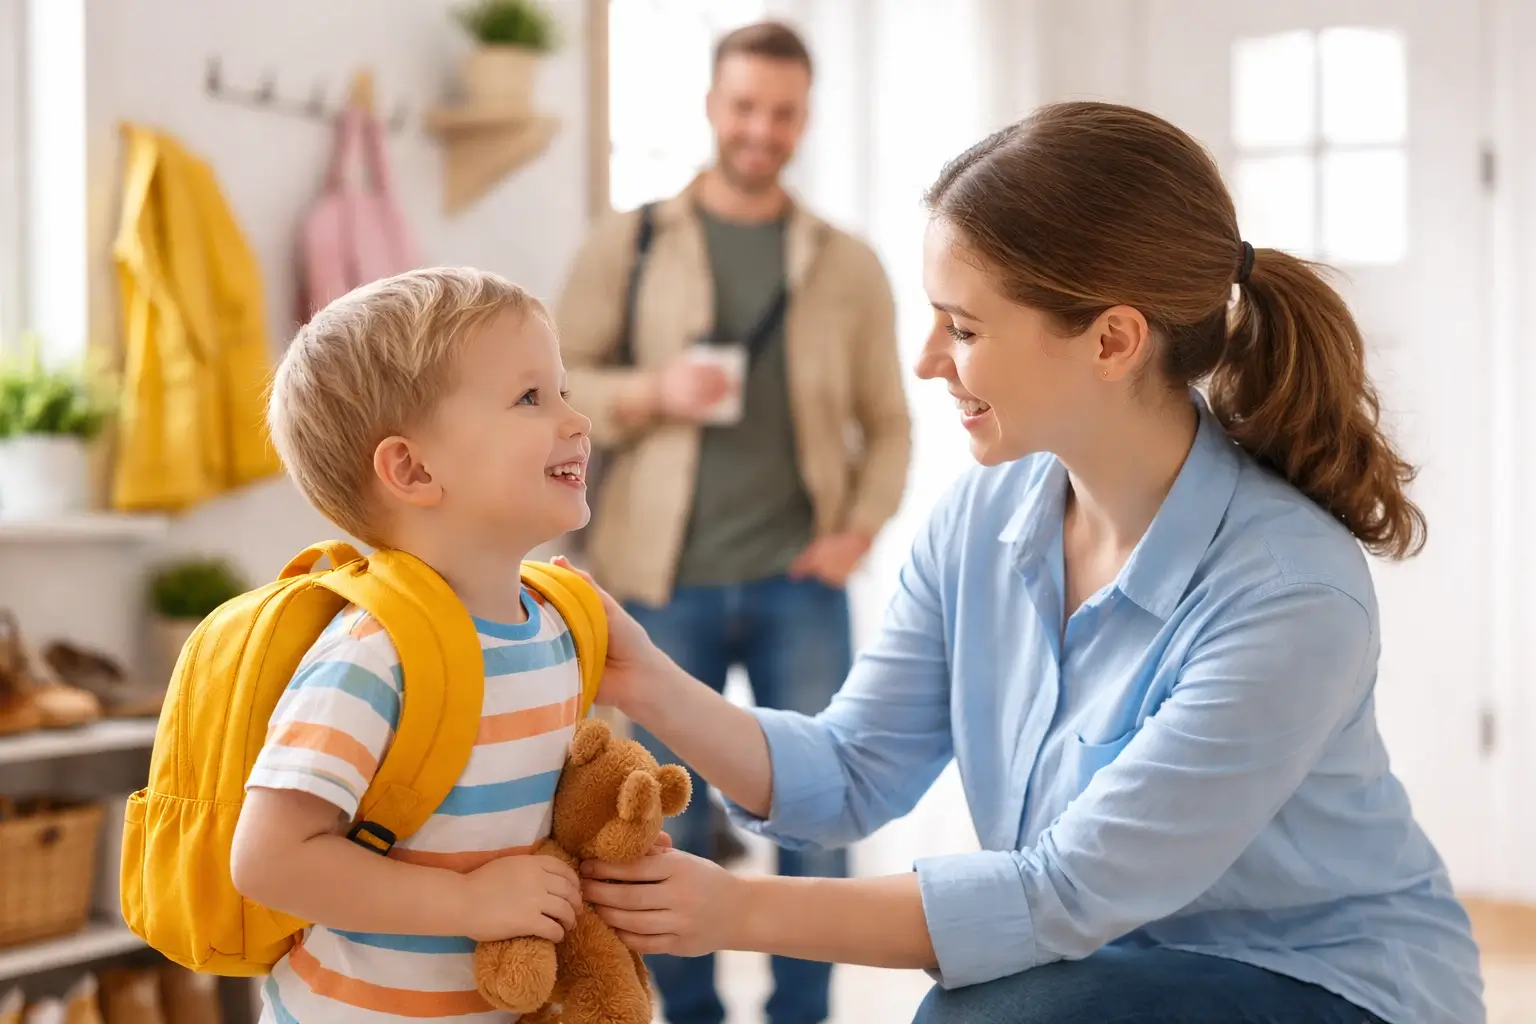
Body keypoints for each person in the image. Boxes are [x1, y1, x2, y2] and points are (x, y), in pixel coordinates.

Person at [565, 101, 1487, 1024]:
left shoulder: (1289, 593)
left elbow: (1058, 895)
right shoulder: (983, 516)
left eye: (963, 328)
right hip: (1113, 965)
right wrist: (641, 676)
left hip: (1332, 983)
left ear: (1114, 341)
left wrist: (733, 908)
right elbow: (850, 769)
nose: (929, 362)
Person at [556, 19, 911, 1024]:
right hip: (660, 582)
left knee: (823, 819)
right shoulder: (629, 243)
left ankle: (803, 1012)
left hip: (801, 583)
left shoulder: (846, 265)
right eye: (746, 107)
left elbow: (888, 422)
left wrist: (863, 528)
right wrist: (654, 390)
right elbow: (556, 379)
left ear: (804, 120)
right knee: (659, 817)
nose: (763, 129)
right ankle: (691, 1014)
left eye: (784, 112)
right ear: (714, 108)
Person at [231, 268, 595, 1022]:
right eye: (531, 398)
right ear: (413, 469)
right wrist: (466, 901)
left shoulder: (555, 627)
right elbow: (269, 859)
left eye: (563, 391)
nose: (576, 421)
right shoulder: (373, 653)